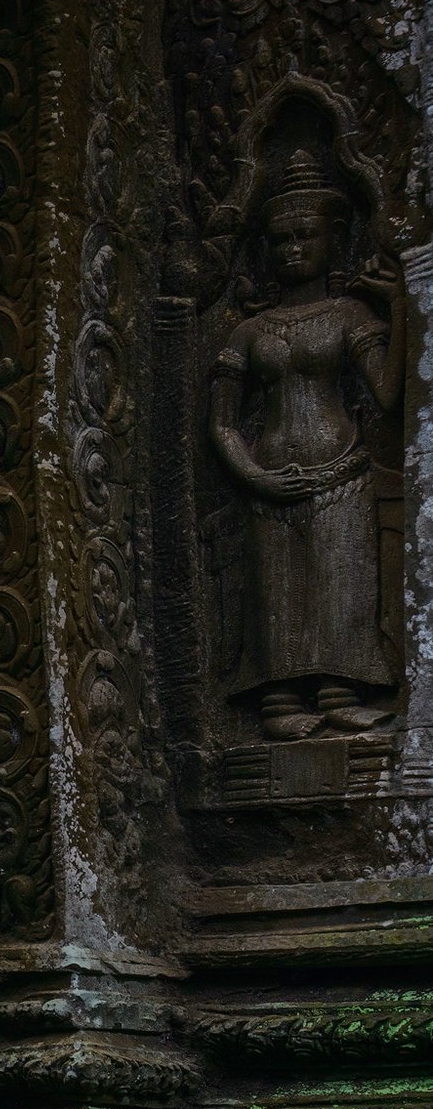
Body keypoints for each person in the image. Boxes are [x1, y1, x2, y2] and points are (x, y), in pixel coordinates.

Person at [208, 150, 403, 739]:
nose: (292, 248)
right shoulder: (249, 330)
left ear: (334, 239)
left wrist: (401, 307)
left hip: (341, 473)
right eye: (280, 239)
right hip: (269, 481)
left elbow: (389, 395)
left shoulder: (349, 315)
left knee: (340, 586)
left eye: (305, 236)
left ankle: (342, 692)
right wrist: (253, 475)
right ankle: (280, 702)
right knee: (276, 599)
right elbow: (221, 423)